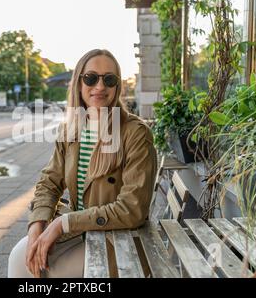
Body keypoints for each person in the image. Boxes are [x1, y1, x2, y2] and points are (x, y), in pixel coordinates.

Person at [8, 49, 158, 278]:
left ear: (117, 86)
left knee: (43, 271)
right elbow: (49, 181)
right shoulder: (71, 129)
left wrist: (62, 224)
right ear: (79, 83)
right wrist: (37, 223)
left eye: (109, 79)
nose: (100, 86)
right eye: (91, 78)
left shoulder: (135, 133)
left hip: (119, 237)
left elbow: (132, 209)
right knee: (19, 258)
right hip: (83, 232)